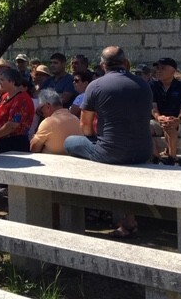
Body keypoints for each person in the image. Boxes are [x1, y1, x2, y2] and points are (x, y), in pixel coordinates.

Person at [64, 46, 152, 237]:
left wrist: (95, 140)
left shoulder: (95, 86)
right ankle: (128, 218)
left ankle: (89, 204)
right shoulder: (144, 85)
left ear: (103, 66)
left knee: (70, 142)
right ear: (126, 63)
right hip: (143, 150)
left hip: (111, 153)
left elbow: (85, 126)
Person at [0, 68, 34, 214]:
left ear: (12, 81)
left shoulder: (22, 99)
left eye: (2, 80)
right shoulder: (5, 96)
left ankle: (18, 212)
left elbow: (13, 124)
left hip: (15, 143)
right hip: (1, 142)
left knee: (15, 179)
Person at [150, 57, 181, 165]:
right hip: (158, 121)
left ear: (173, 71)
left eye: (163, 68)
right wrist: (159, 117)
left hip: (179, 121)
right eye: (158, 68)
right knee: (143, 128)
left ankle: (172, 158)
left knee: (170, 125)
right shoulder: (153, 86)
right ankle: (156, 158)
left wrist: (178, 119)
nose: (159, 71)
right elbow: (153, 107)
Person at [31, 89, 82, 154]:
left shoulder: (48, 123)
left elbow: (34, 148)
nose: (42, 114)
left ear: (48, 106)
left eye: (41, 109)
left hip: (50, 160)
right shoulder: (76, 120)